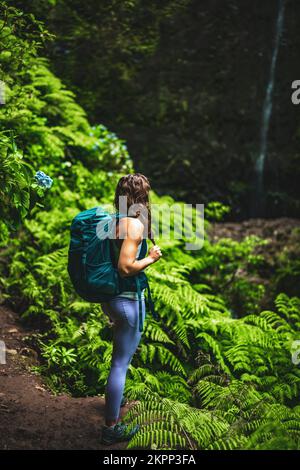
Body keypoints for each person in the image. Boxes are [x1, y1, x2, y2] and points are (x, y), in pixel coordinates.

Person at [100, 173, 162, 446]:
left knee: (118, 360)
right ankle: (111, 427)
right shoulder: (134, 226)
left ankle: (115, 399)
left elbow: (109, 263)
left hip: (112, 298)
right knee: (120, 364)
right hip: (127, 300)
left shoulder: (111, 223)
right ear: (140, 197)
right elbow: (125, 268)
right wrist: (150, 258)